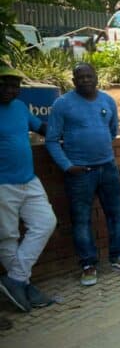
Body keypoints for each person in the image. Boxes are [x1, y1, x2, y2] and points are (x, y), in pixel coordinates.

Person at [45, 63, 120, 286]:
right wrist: (67, 166)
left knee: (116, 215)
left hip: (108, 168)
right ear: (74, 81)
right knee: (81, 220)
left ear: (96, 78)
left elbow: (112, 131)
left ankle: (119, 257)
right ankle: (88, 265)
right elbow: (51, 140)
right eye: (80, 77)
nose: (85, 80)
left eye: (89, 76)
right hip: (79, 172)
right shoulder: (62, 104)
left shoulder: (107, 100)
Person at [0, 65, 58, 312]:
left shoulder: (20, 107)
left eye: (15, 86)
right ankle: (24, 285)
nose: (11, 90)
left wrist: (62, 133)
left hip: (29, 179)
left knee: (46, 222)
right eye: (5, 84)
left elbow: (39, 127)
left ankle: (15, 279)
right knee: (8, 236)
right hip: (2, 184)